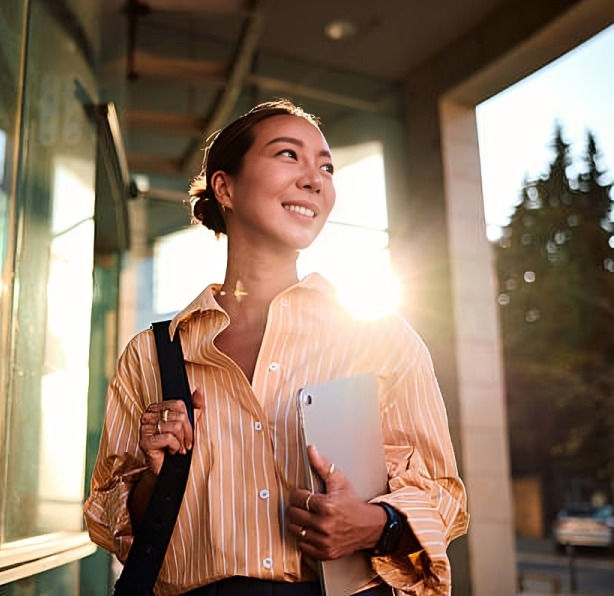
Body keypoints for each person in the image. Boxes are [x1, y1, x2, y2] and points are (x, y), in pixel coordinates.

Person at [83, 100, 468, 595]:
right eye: (289, 155)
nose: (315, 179)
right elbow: (112, 523)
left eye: (326, 166)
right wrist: (159, 476)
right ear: (225, 187)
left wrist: (375, 523)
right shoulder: (151, 355)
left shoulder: (379, 338)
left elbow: (443, 495)